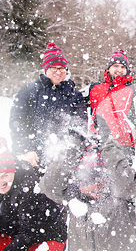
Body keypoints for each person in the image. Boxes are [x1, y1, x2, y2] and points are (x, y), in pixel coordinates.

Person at [39, 119, 136, 251]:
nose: (93, 185)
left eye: (99, 177)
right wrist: (75, 147)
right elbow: (49, 185)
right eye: (86, 180)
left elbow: (127, 181)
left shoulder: (121, 196)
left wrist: (108, 144)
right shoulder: (73, 198)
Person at [9, 42, 88, 171]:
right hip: (30, 157)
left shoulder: (75, 95)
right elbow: (17, 122)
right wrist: (25, 149)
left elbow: (80, 126)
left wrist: (68, 154)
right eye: (53, 68)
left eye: (62, 68)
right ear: (45, 69)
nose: (58, 72)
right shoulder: (28, 91)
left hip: (62, 162)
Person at [88, 49, 136, 164]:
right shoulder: (95, 89)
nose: (119, 70)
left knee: (120, 180)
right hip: (97, 145)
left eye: (123, 67)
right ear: (109, 68)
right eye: (116, 66)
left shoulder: (134, 91)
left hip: (123, 146)